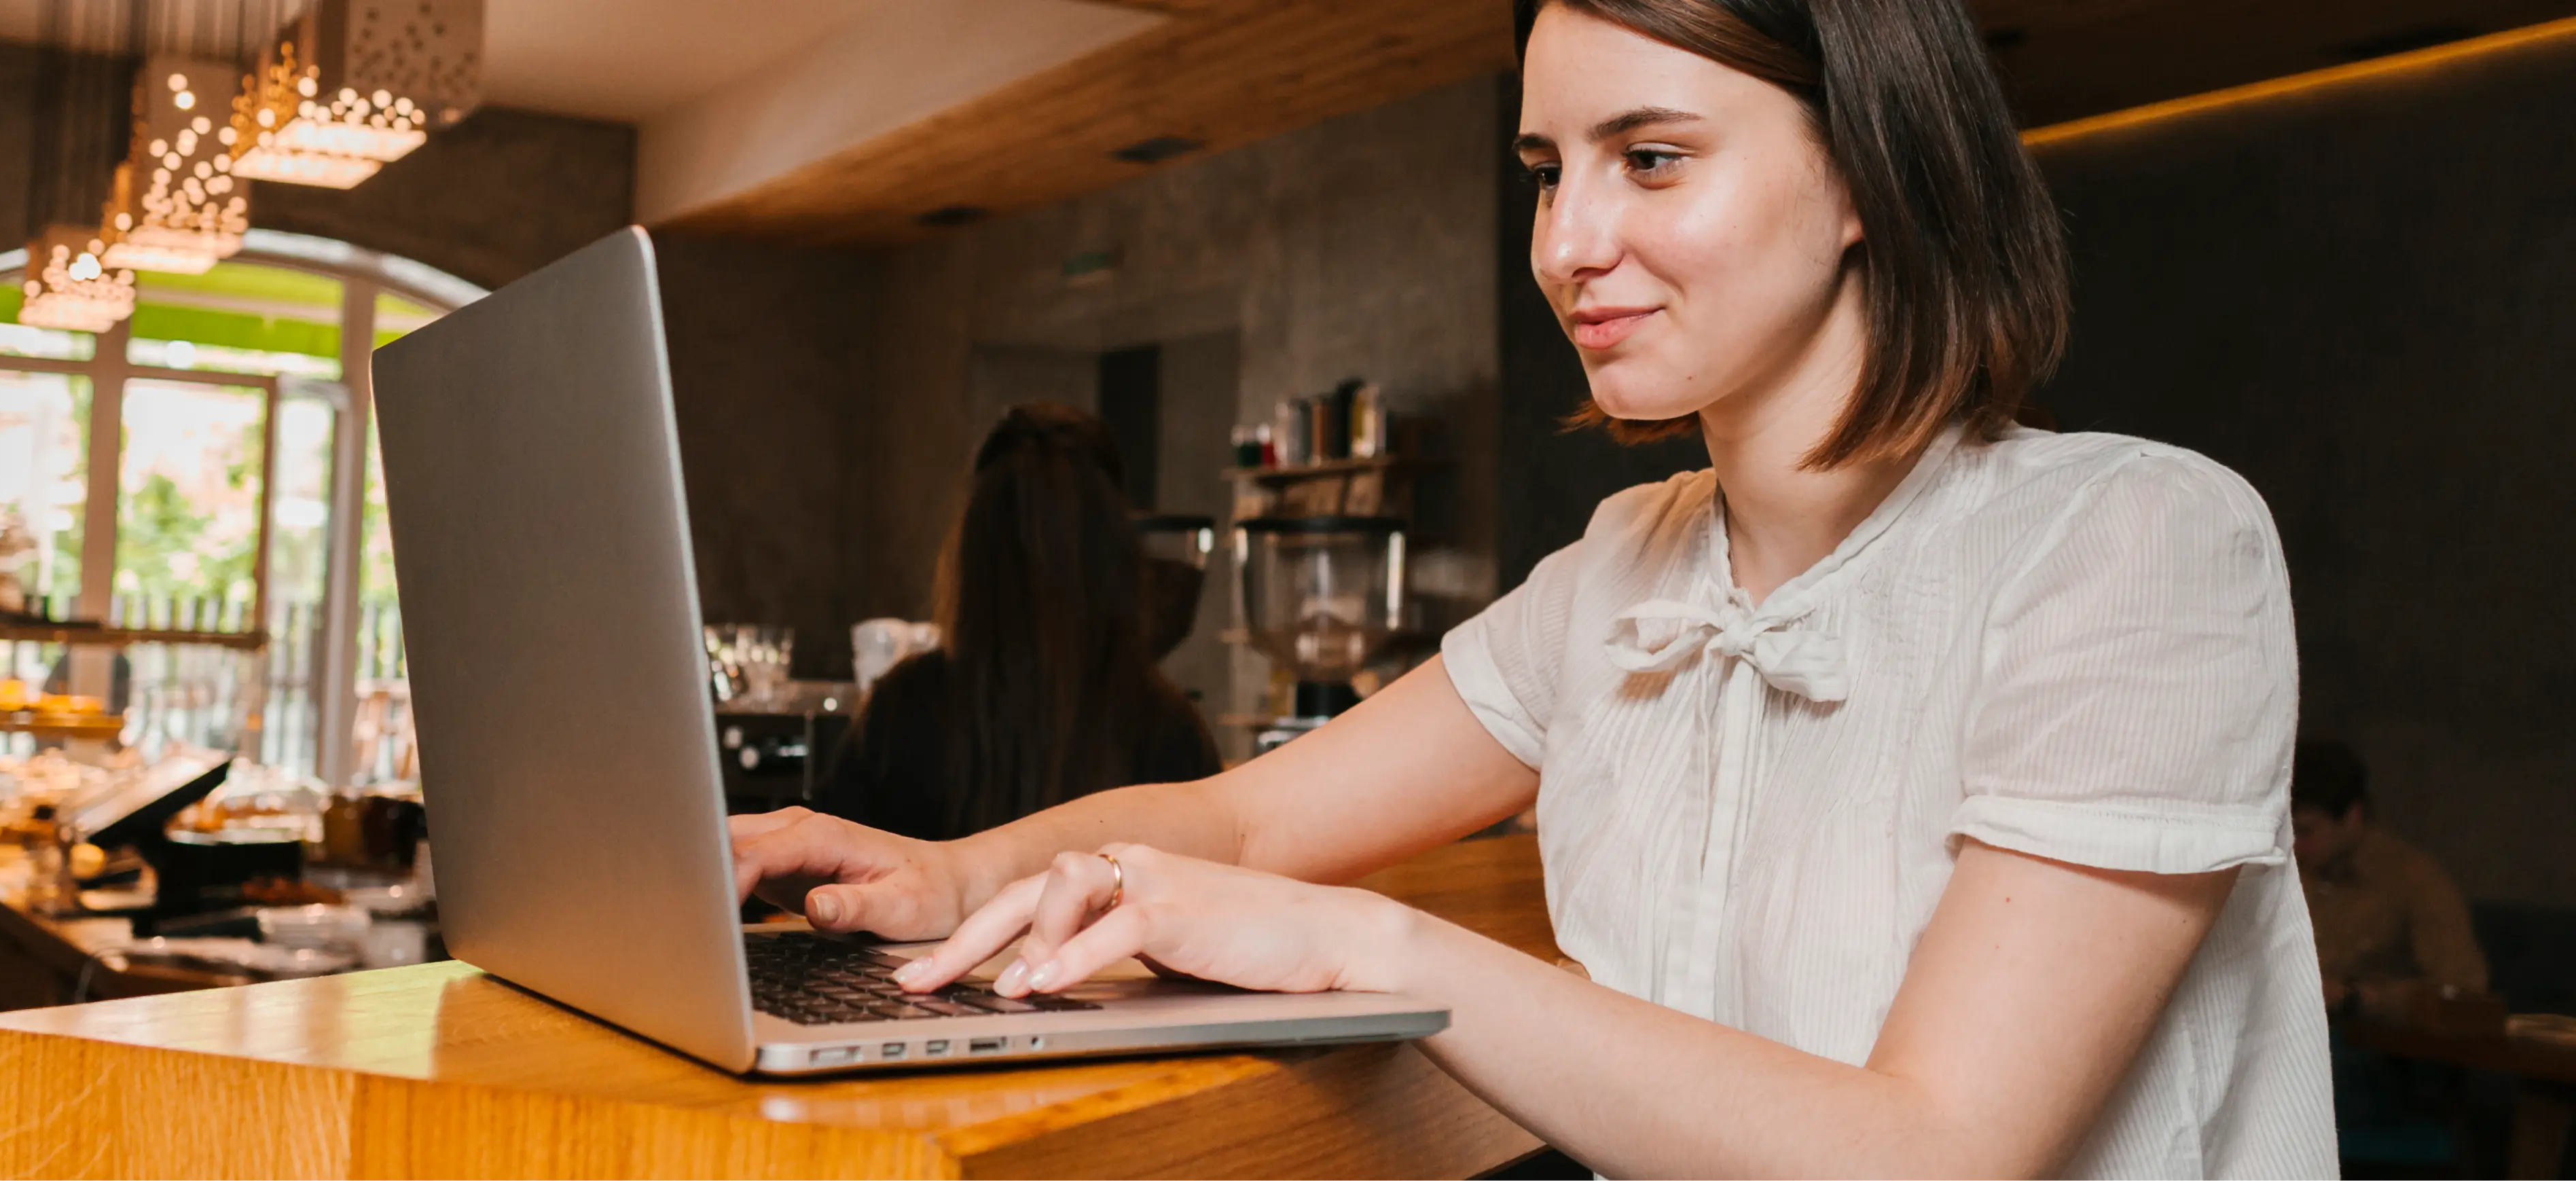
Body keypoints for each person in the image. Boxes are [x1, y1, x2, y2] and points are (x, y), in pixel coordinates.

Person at [734, 1, 2334, 1176]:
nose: (1567, 240)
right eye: (1544, 168)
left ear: (1868, 180)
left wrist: (1370, 949)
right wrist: (952, 882)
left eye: (1648, 159)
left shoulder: (2134, 545)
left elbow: (1931, 1152)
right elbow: (1253, 819)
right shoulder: (1626, 563)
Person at [819, 403, 1220, 841]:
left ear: (973, 553)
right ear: (1119, 556)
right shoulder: (1171, 730)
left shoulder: (903, 708)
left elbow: (830, 867)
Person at [2292, 739, 2488, 1014]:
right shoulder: (2291, 873)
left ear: (2352, 817)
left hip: (2366, 1042)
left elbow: (2463, 987)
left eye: (2306, 831)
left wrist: (2358, 997)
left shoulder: (2412, 880)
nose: (2296, 846)